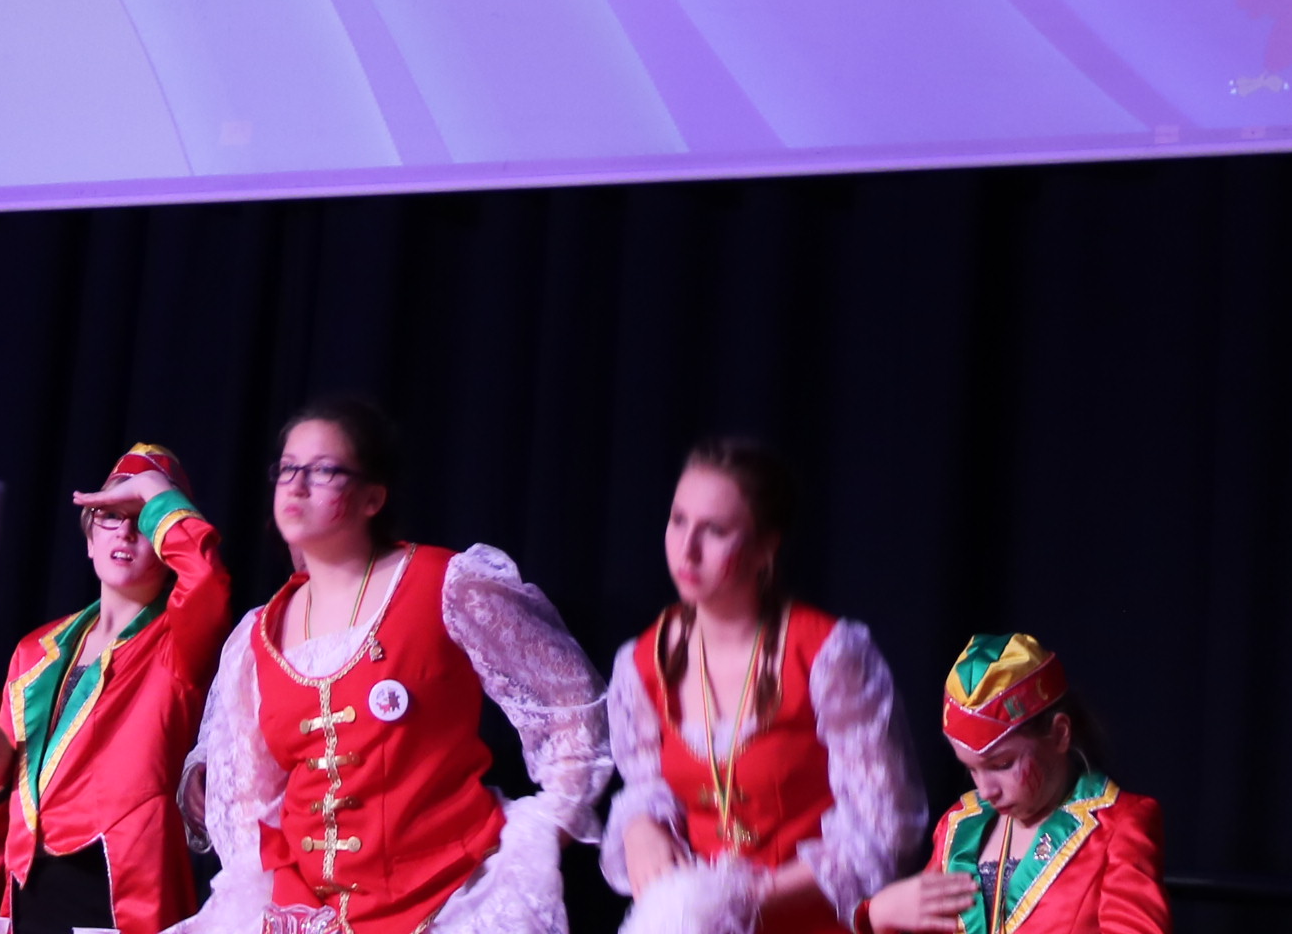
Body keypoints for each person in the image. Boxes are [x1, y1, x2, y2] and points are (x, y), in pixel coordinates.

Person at [181, 394, 609, 934]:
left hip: (447, 902)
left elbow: (570, 701)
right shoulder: (257, 637)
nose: (296, 485)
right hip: (307, 914)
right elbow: (248, 798)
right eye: (287, 468)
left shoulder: (446, 585)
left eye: (323, 470)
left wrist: (549, 824)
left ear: (372, 498)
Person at [603, 442, 915, 934]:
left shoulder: (828, 656)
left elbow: (882, 831)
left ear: (765, 548)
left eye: (715, 530)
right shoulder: (643, 663)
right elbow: (647, 786)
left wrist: (742, 897)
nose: (687, 549)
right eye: (678, 520)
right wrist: (640, 827)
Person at [0, 444, 230, 934]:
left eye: (142, 518)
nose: (126, 531)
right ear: (88, 540)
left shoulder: (177, 643)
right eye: (110, 515)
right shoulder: (34, 652)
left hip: (121, 890)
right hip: (29, 891)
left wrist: (154, 491)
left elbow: (207, 577)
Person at [861, 640, 1160, 934]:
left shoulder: (1117, 826)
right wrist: (877, 914)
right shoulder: (958, 826)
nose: (986, 790)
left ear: (1059, 734)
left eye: (1003, 764)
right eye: (972, 769)